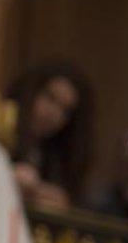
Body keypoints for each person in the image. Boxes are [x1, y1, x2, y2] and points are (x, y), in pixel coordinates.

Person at [6, 60, 94, 210]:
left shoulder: (55, 158)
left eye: (65, 111)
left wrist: (63, 205)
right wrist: (6, 177)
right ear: (31, 91)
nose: (53, 114)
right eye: (50, 98)